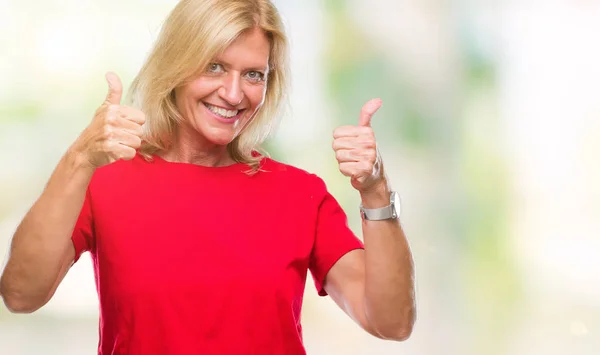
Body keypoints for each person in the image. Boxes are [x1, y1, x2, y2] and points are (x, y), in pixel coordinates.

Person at [0, 0, 416, 354]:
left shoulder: (299, 193)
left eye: (253, 74)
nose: (234, 94)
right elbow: (21, 294)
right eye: (214, 67)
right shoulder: (106, 182)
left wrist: (376, 189)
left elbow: (391, 321)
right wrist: (78, 158)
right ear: (176, 65)